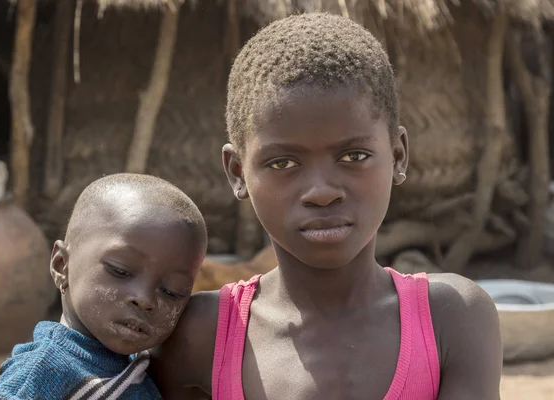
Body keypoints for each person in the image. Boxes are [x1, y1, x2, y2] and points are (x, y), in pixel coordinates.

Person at [150, 12, 502, 400]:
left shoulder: (451, 320)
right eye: (282, 163)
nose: (321, 192)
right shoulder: (203, 335)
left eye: (353, 156)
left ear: (399, 155)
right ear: (237, 172)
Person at [0, 173, 208, 400]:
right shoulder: (43, 372)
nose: (145, 298)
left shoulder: (136, 369)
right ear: (61, 265)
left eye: (172, 291)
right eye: (120, 271)